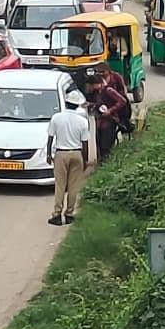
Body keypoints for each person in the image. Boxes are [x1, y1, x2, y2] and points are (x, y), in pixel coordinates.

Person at [45, 91, 91, 226]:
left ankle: (57, 214)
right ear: (77, 105)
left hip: (61, 153)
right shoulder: (82, 121)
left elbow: (50, 137)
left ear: (65, 103)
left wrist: (49, 154)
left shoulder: (57, 118)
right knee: (73, 186)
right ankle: (69, 214)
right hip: (77, 154)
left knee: (60, 185)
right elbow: (85, 143)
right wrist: (85, 160)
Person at [84, 69, 128, 162]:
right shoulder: (97, 93)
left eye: (90, 86)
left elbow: (122, 101)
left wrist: (110, 110)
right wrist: (91, 105)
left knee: (106, 147)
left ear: (96, 84)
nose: (89, 88)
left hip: (109, 123)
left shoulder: (108, 90)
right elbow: (99, 104)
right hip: (100, 123)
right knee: (99, 146)